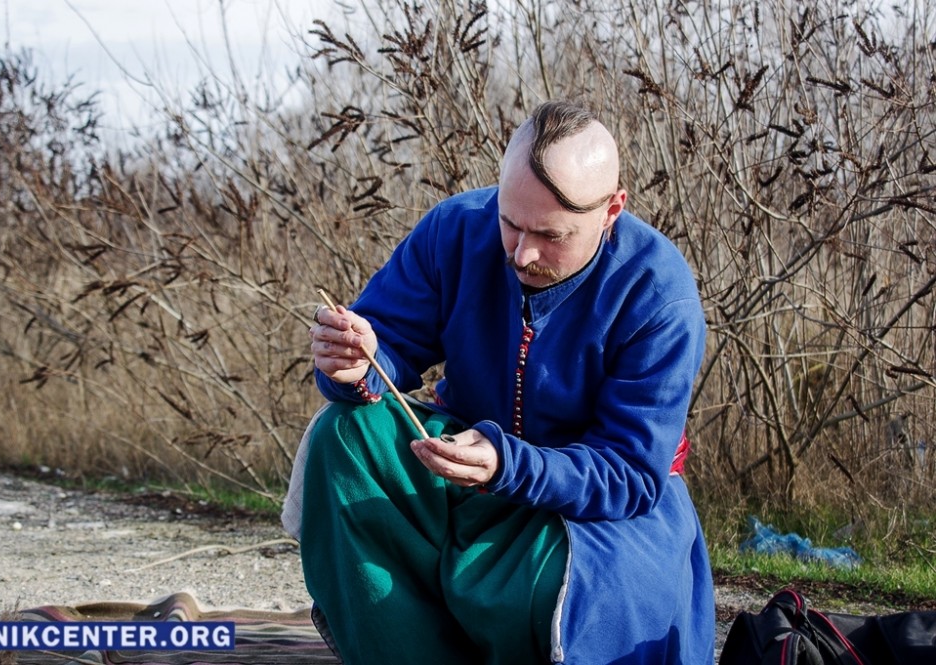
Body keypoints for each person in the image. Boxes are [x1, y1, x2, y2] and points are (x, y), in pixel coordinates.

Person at [286, 100, 714, 664]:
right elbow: (384, 345)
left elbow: (630, 475)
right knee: (345, 434)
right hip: (467, 467)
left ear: (612, 209)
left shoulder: (659, 293)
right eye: (510, 223)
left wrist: (510, 463)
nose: (523, 252)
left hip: (588, 512)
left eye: (551, 234)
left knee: (576, 601)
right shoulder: (457, 228)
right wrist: (355, 365)